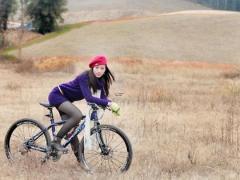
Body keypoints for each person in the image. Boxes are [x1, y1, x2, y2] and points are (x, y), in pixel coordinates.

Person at [48, 55, 120, 161]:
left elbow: (102, 97)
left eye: (102, 68)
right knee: (77, 115)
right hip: (57, 95)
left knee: (71, 131)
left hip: (67, 100)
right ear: (92, 68)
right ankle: (56, 141)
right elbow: (89, 98)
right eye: (97, 68)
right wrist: (108, 104)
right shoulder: (84, 77)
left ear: (105, 69)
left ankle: (80, 160)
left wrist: (112, 105)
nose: (99, 71)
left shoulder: (100, 80)